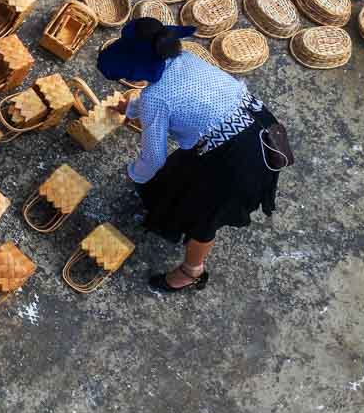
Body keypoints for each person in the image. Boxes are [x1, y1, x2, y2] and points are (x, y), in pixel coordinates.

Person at [98, 17, 284, 293]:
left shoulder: (155, 98)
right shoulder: (187, 59)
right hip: (262, 127)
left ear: (137, 72)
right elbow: (182, 100)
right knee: (180, 173)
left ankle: (192, 271)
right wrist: (131, 109)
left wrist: (134, 174)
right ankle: (164, 204)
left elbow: (154, 157)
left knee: (205, 215)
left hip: (240, 160)